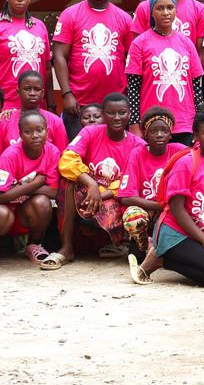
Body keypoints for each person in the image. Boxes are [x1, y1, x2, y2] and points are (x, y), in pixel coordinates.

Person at [128, 108, 204, 287]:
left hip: (202, 226)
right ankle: (161, 259)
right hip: (175, 231)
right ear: (195, 136)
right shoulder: (186, 163)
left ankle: (197, 255)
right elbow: (176, 209)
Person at [53, 93, 145, 268]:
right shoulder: (90, 132)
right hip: (88, 192)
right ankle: (66, 248)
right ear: (103, 115)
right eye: (111, 113)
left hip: (114, 197)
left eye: (122, 113)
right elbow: (67, 160)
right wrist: (91, 183)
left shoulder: (137, 145)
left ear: (129, 114)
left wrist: (103, 194)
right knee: (67, 182)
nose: (117, 117)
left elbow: (131, 181)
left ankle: (118, 243)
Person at [53, 0, 132, 140]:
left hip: (115, 106)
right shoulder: (70, 14)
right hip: (79, 103)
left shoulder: (125, 18)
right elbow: (59, 56)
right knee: (77, 156)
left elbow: (132, 59)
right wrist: (67, 94)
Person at [0, 110, 59, 271]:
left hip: (24, 211)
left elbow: (53, 192)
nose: (35, 135)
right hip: (1, 212)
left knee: (43, 203)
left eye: (39, 130)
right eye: (28, 132)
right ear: (20, 135)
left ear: (47, 132)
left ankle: (34, 244)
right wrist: (34, 184)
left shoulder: (52, 152)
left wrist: (19, 190)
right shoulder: (11, 155)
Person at [125, 0, 204, 146]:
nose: (166, 12)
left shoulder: (187, 43)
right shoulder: (139, 43)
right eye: (160, 8)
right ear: (152, 13)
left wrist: (199, 122)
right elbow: (133, 88)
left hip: (184, 122)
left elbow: (196, 87)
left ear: (176, 11)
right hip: (152, 123)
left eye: (170, 7)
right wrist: (134, 124)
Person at [119, 107, 187, 255]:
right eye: (153, 131)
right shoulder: (137, 154)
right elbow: (126, 197)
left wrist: (165, 208)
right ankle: (144, 244)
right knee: (133, 216)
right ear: (145, 134)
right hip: (146, 213)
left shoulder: (180, 152)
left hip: (172, 212)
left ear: (170, 134)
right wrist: (159, 206)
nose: (159, 135)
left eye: (164, 131)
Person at [0, 71, 68, 165]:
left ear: (43, 93)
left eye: (37, 89)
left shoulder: (56, 121)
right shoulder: (4, 119)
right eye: (27, 89)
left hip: (46, 177)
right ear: (18, 92)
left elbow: (62, 157)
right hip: (9, 176)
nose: (32, 93)